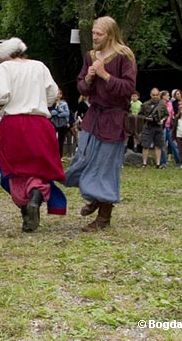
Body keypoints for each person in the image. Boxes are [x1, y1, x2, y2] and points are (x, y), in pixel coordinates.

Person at [64, 16, 137, 232]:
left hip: (114, 119)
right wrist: (88, 78)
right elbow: (82, 87)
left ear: (110, 35)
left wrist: (105, 75)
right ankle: (96, 197)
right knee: (83, 159)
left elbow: (127, 88)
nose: (94, 37)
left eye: (99, 34)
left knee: (106, 166)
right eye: (93, 33)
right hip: (93, 117)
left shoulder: (124, 56)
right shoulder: (91, 56)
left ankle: (104, 216)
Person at [0, 38, 66, 233]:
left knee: (15, 170)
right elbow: (53, 93)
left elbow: (3, 94)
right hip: (40, 123)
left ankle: (25, 212)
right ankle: (35, 199)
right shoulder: (39, 66)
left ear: (3, 55)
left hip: (13, 124)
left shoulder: (3, 69)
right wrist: (38, 101)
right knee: (40, 168)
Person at [139, 88, 167, 168]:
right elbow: (140, 115)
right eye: (153, 95)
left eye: (157, 95)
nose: (155, 96)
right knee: (145, 145)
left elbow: (166, 115)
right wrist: (147, 118)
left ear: (159, 95)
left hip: (158, 126)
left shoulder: (162, 104)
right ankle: (144, 163)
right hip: (148, 126)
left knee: (158, 145)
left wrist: (162, 120)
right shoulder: (145, 104)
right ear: (151, 95)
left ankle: (158, 164)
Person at [49, 89, 71, 158]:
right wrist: (58, 112)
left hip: (62, 124)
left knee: (61, 140)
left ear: (61, 95)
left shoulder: (64, 104)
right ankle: (51, 154)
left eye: (59, 94)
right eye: (56, 93)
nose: (57, 95)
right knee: (51, 139)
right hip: (53, 123)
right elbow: (50, 113)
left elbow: (67, 113)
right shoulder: (51, 103)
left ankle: (59, 156)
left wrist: (58, 113)